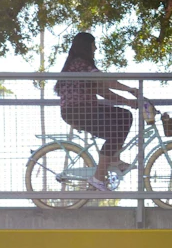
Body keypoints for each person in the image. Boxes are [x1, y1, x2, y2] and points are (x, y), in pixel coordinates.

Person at [53, 32, 140, 191]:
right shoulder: (80, 64)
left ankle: (114, 159)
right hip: (78, 110)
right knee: (113, 132)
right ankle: (98, 178)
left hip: (86, 108)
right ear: (86, 46)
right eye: (94, 45)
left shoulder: (81, 67)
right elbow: (105, 80)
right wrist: (130, 89)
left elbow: (102, 90)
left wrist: (128, 102)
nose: (96, 48)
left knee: (124, 115)